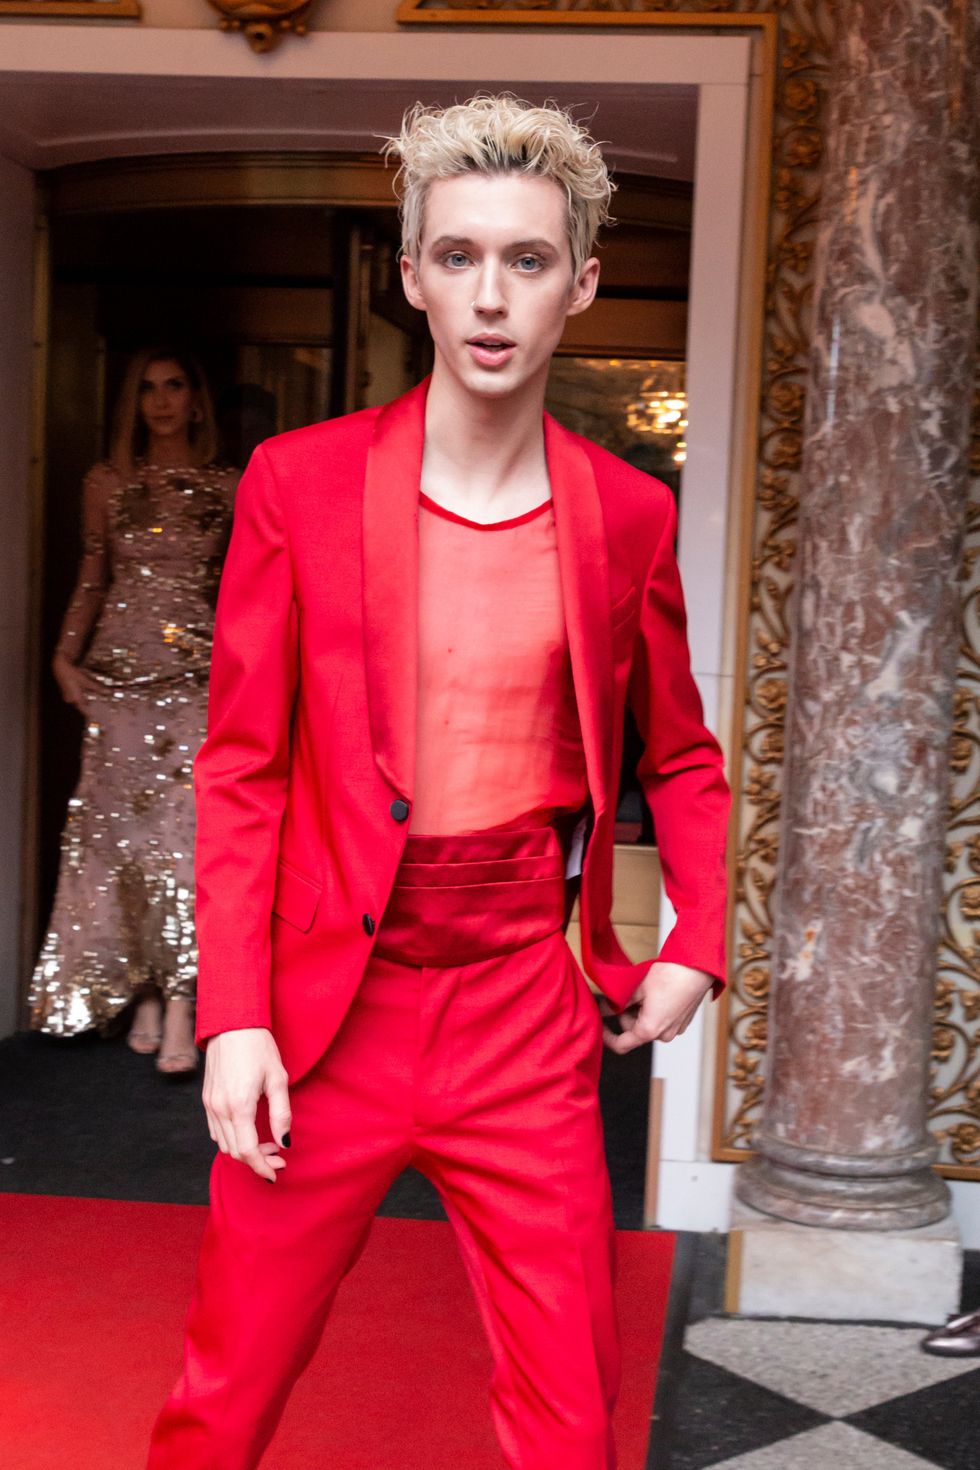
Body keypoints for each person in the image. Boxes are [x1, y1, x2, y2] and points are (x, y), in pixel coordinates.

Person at [148, 96, 730, 1467]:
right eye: (457, 255)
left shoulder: (626, 512)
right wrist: (232, 1013)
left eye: (527, 261)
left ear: (580, 284)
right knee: (225, 1388)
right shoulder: (298, 483)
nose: (490, 295)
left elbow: (684, 754)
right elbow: (242, 765)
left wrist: (697, 932)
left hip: (522, 1004)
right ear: (409, 276)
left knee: (570, 1408)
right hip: (324, 1004)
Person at [30, 348, 237, 1076]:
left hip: (198, 681)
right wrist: (63, 655)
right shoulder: (107, 482)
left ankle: (184, 998)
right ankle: (142, 992)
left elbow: (246, 592)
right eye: (147, 389)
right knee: (117, 840)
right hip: (116, 678)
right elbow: (94, 573)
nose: (161, 401)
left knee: (187, 841)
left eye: (175, 385)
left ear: (198, 399)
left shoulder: (228, 485)